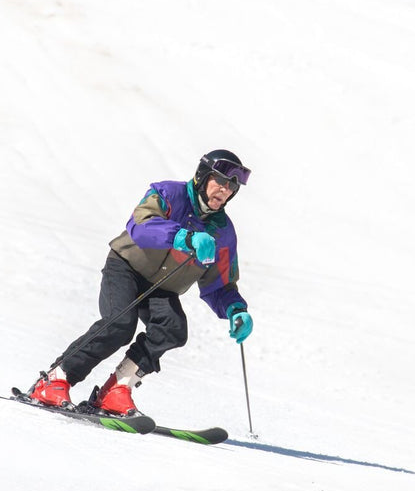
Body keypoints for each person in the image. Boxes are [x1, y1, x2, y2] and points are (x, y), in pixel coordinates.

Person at [28, 149, 254, 416]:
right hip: (126, 267)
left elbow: (220, 284)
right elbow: (140, 225)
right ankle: (55, 379)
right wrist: (184, 237)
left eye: (232, 187)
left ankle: (115, 390)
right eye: (220, 181)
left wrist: (235, 309)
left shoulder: (223, 232)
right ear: (202, 177)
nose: (225, 191)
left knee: (172, 329)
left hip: (162, 287)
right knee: (120, 324)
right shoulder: (169, 194)